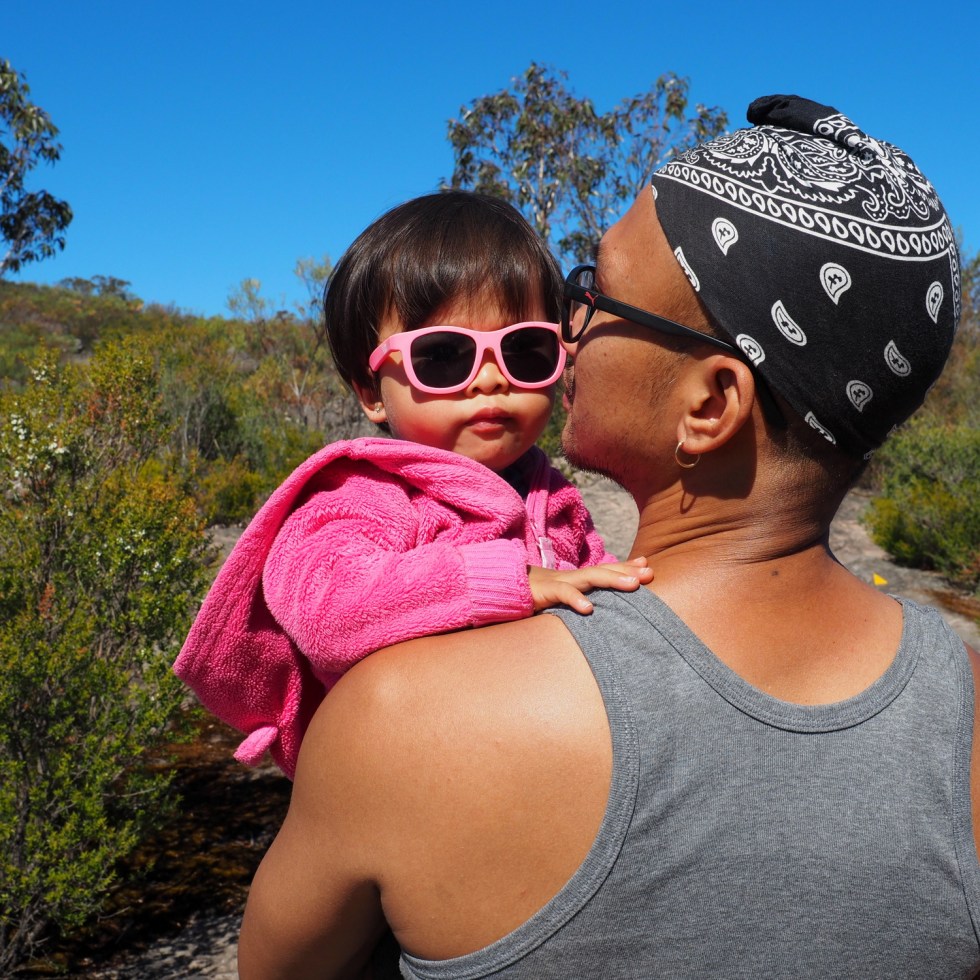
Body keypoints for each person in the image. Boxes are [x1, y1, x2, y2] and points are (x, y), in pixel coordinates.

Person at [237, 96, 980, 979]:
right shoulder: (963, 700)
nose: (571, 329)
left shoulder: (401, 719)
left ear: (710, 405)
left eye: (596, 294)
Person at [175, 191, 651, 779]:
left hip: (531, 767)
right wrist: (509, 583)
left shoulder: (551, 496)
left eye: (525, 349)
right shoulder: (362, 497)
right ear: (372, 393)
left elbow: (590, 583)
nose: (491, 380)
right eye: (444, 357)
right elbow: (330, 612)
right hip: (400, 781)